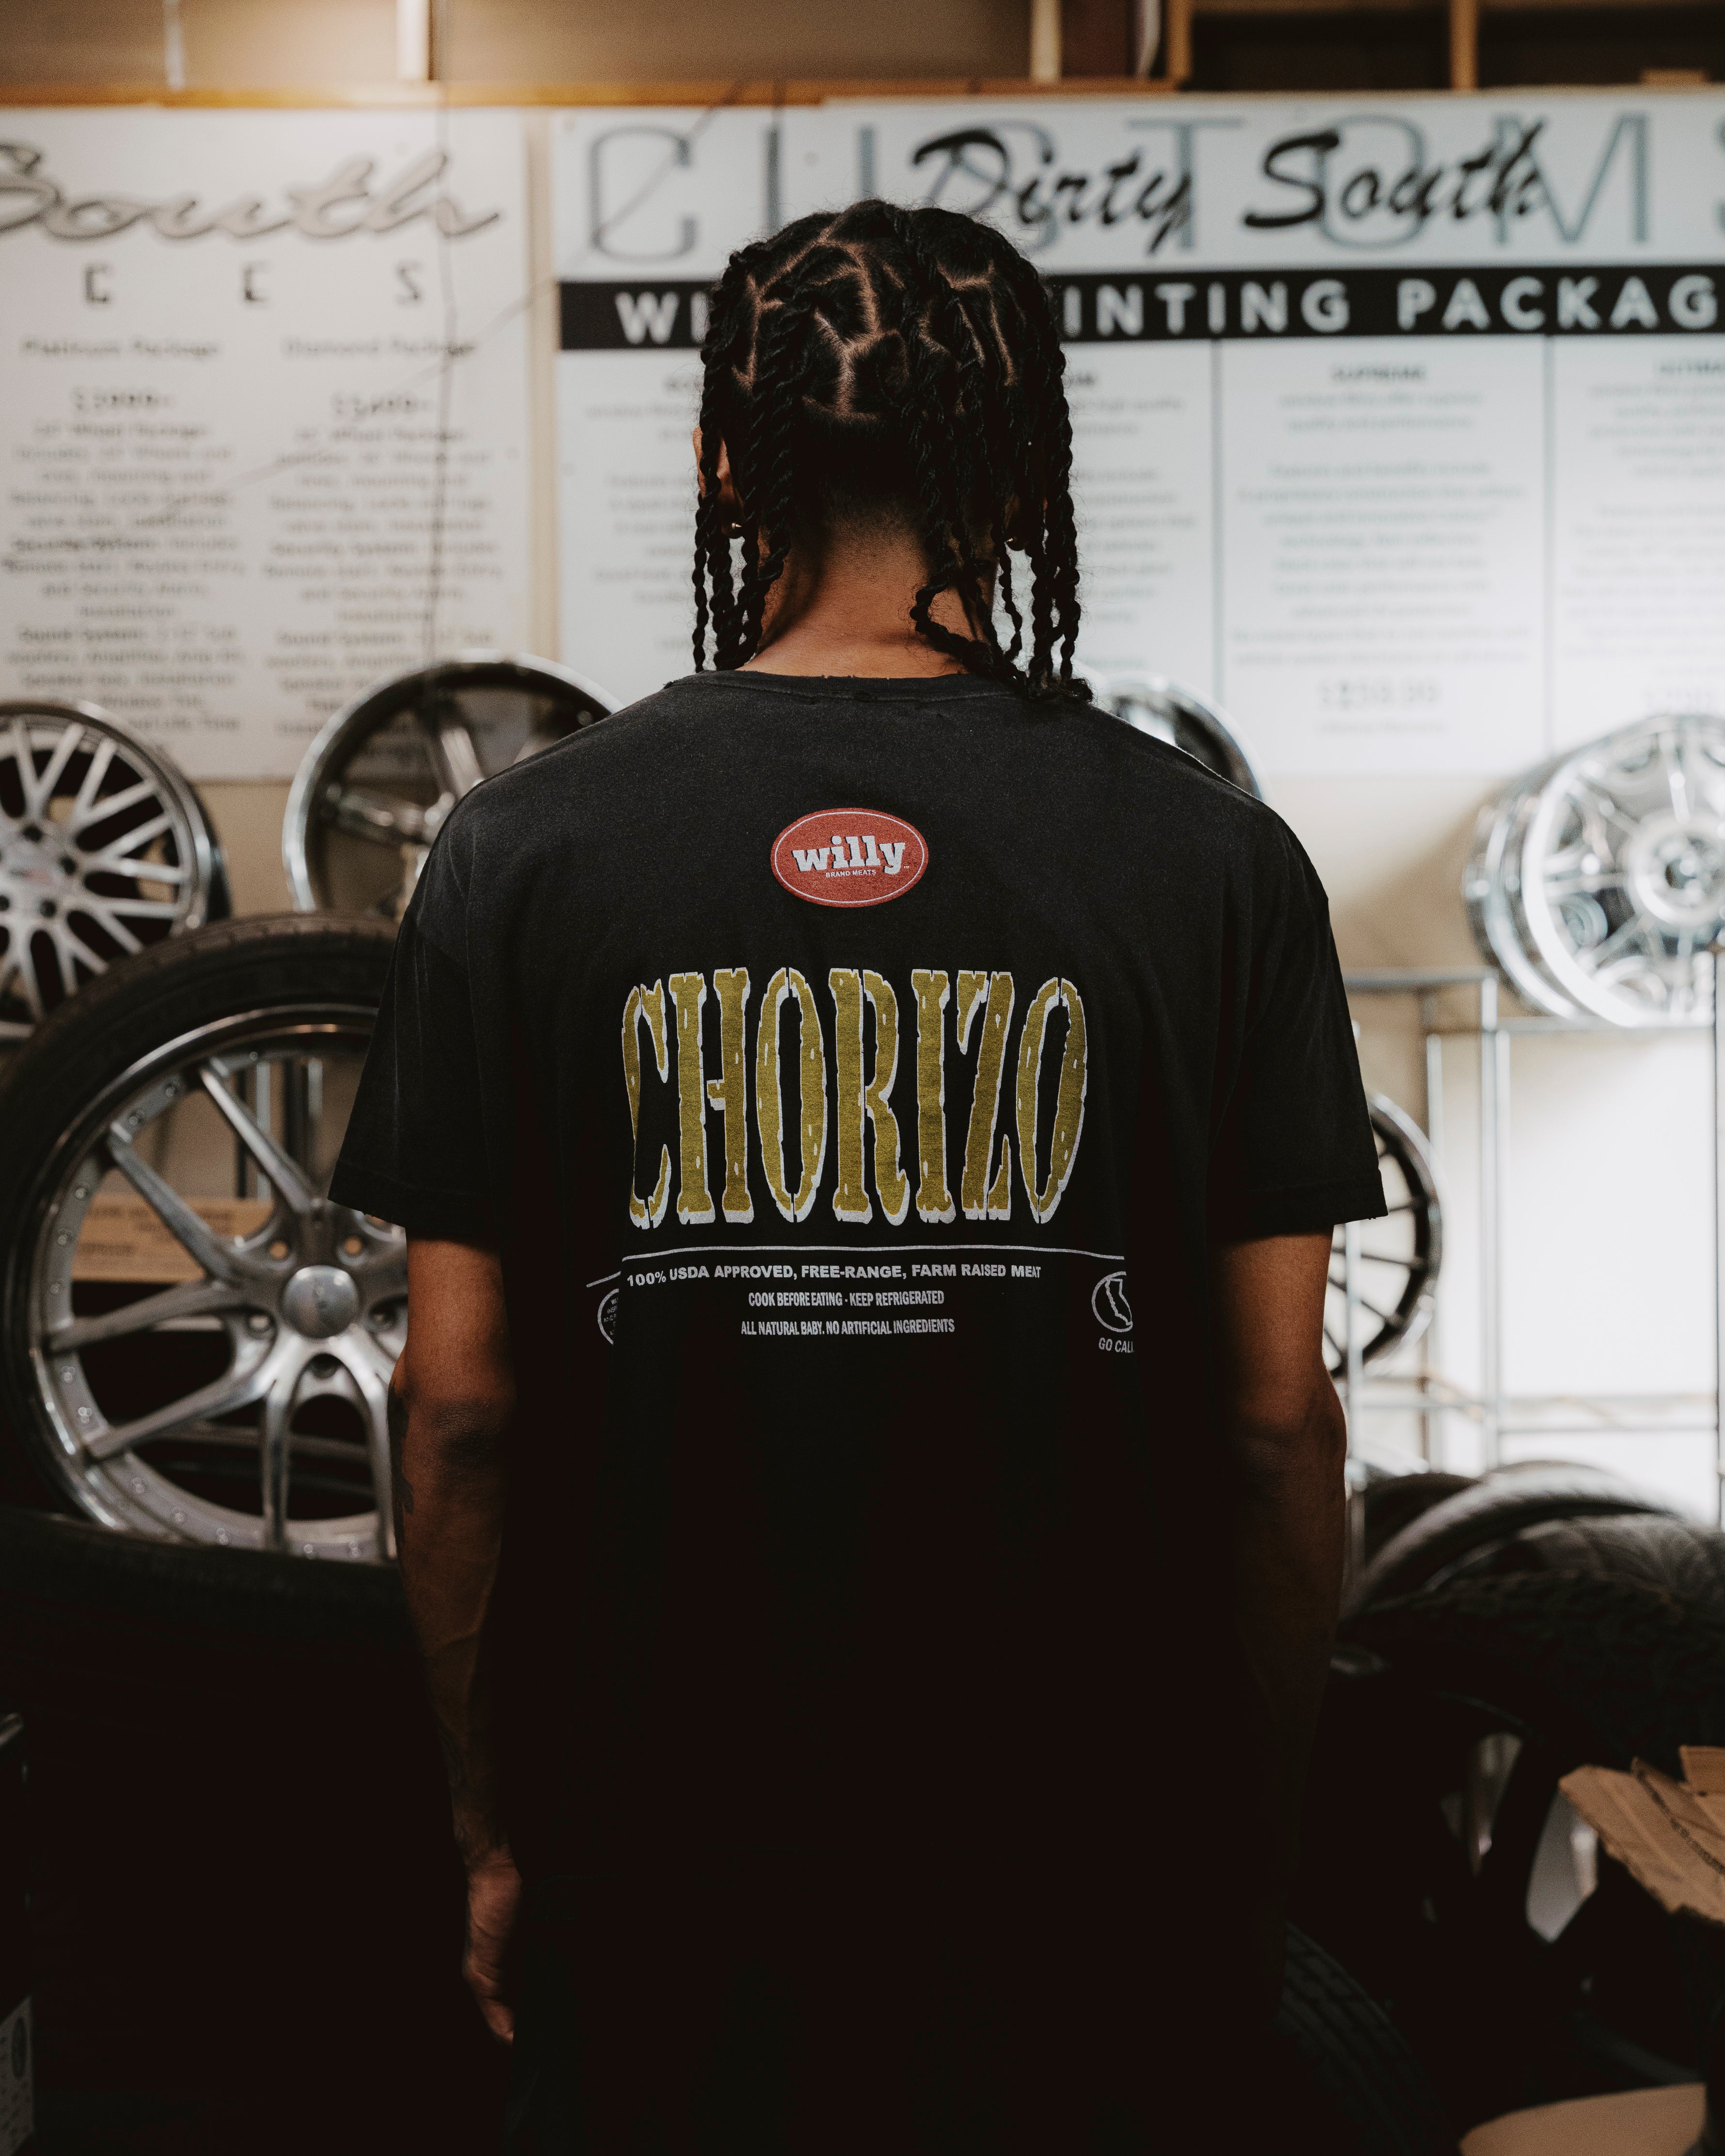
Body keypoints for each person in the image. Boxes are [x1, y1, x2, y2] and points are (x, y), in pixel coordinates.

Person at [330, 198, 1384, 2153]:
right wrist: (1245, 1845)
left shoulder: (518, 859)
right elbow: (1272, 1426)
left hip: (658, 1857)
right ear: (1027, 468)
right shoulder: (1214, 865)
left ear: (723, 462)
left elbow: (458, 1406)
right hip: (1085, 1872)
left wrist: (492, 1823)